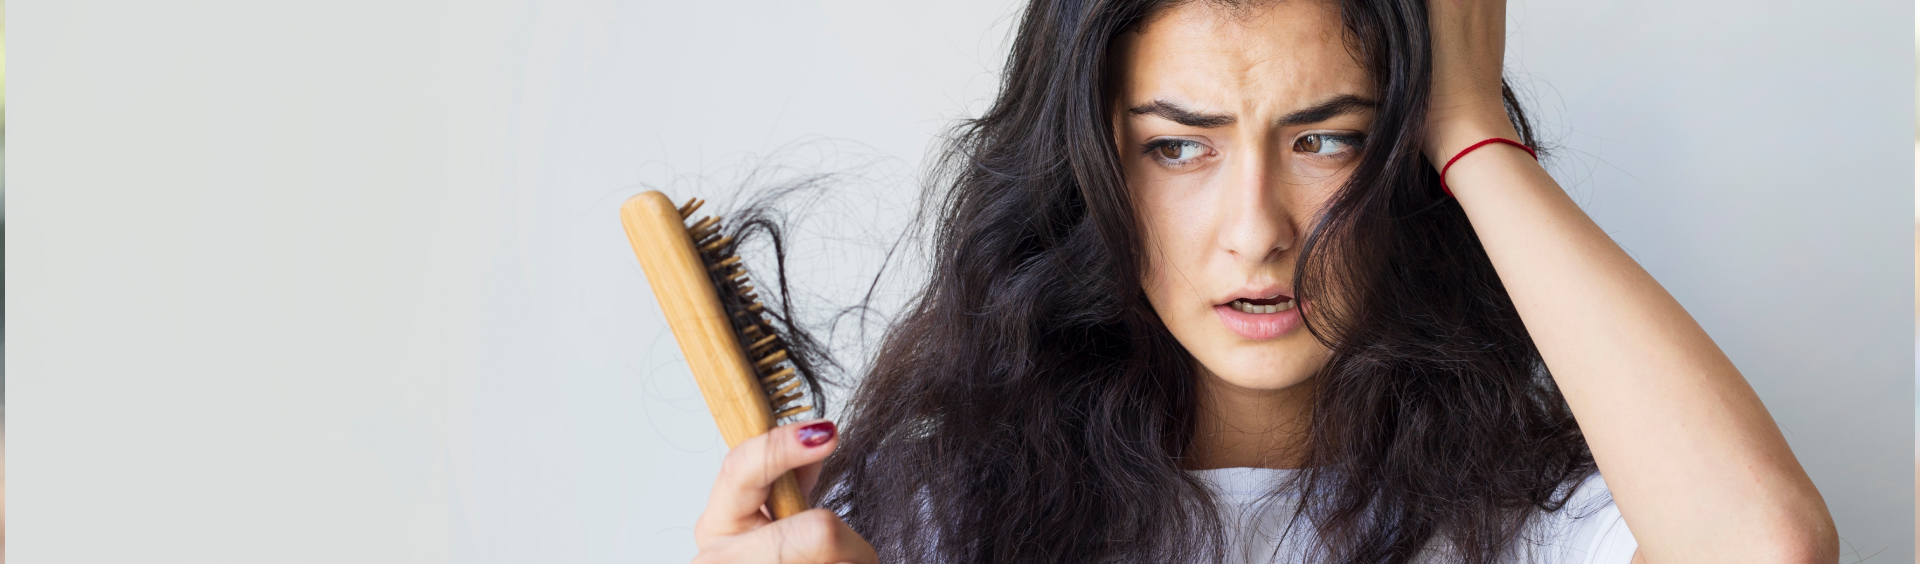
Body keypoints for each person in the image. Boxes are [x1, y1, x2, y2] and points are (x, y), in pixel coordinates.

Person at [687, 0, 1838, 562]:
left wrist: (1472, 127)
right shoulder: (927, 520)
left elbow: (1767, 548)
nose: (1257, 233)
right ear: (1089, 169)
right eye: (1178, 147)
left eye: (1326, 139)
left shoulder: (1538, 527)